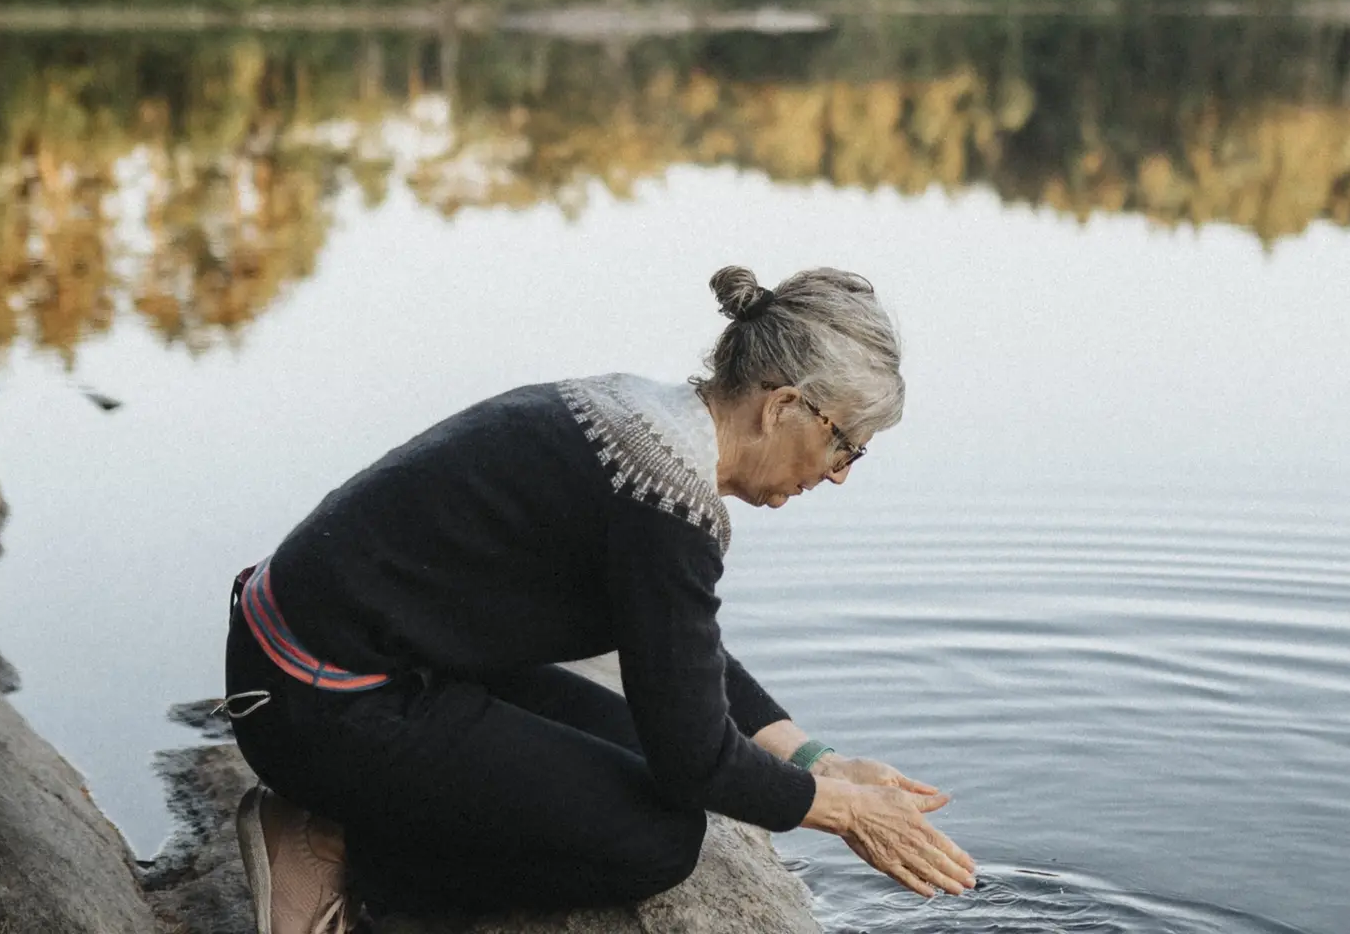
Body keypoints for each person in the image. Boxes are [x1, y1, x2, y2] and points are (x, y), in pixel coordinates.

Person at [219, 266, 975, 934]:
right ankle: (346, 858)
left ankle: (351, 811)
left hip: (354, 658)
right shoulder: (667, 501)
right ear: (783, 407)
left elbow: (676, 648)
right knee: (656, 839)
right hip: (317, 703)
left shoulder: (641, 416)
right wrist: (841, 811)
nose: (840, 473)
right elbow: (697, 763)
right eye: (845, 443)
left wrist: (819, 762)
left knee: (639, 754)